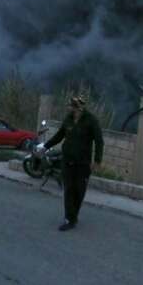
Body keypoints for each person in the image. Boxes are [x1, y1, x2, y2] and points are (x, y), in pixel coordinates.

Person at [43, 96, 104, 231]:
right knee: (69, 189)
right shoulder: (68, 119)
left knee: (79, 191)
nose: (68, 108)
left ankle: (73, 215)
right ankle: (69, 219)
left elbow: (99, 141)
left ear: (79, 108)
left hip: (83, 162)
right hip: (67, 160)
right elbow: (59, 135)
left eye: (71, 106)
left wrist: (97, 161)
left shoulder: (91, 120)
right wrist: (45, 146)